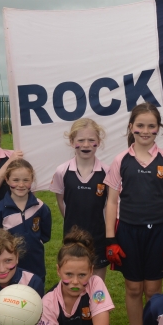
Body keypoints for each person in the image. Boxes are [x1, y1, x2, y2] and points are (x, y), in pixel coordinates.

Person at [104, 103, 163, 325]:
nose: (145, 130)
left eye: (151, 126)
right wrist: (110, 239)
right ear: (131, 127)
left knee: (153, 289)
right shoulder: (120, 160)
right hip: (128, 231)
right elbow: (111, 201)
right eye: (140, 125)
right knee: (133, 287)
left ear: (159, 129)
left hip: (160, 231)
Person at [50, 118, 110, 280]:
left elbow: (110, 206)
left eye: (91, 140)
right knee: (73, 282)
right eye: (81, 140)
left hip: (98, 237)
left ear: (99, 142)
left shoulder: (107, 171)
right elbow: (62, 203)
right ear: (72, 142)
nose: (86, 145)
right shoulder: (62, 171)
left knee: (97, 284)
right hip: (72, 238)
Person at [0, 159, 52, 284]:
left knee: (36, 294)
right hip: (9, 269)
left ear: (32, 180)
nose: (21, 184)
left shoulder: (41, 208)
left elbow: (45, 235)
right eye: (16, 180)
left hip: (36, 266)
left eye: (26, 180)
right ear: (7, 180)